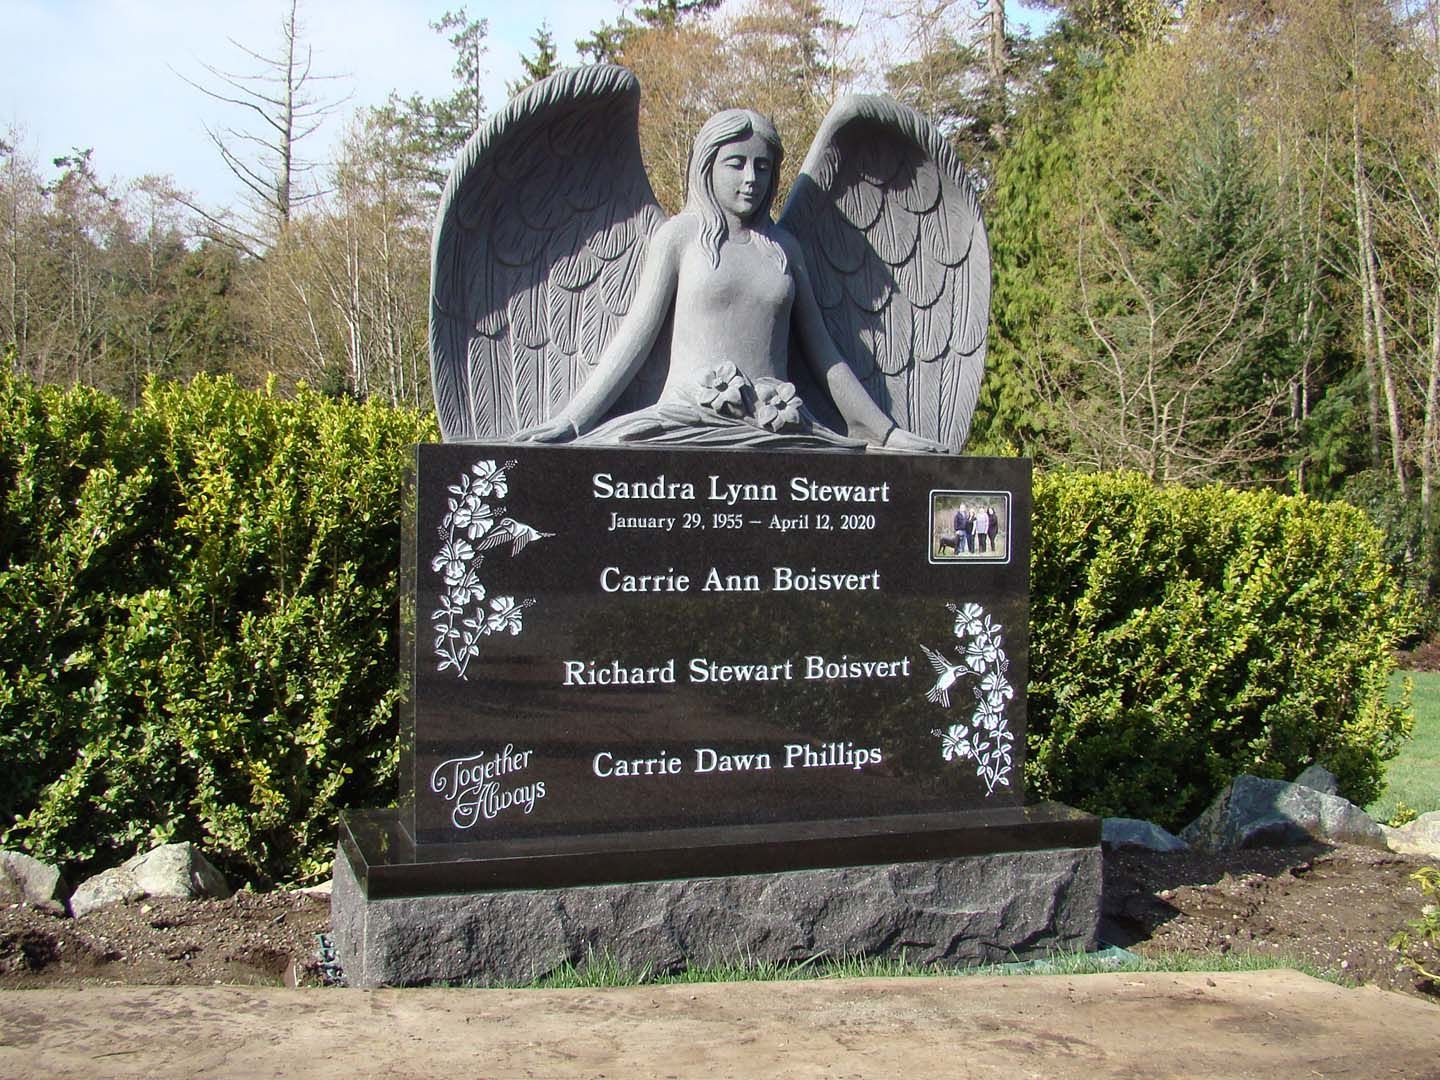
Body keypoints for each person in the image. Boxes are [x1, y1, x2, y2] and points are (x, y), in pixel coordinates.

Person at [514, 110, 940, 451]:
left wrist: (886, 434)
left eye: (763, 166)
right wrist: (571, 420)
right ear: (708, 166)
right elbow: (633, 340)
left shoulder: (785, 249)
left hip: (778, 429)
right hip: (684, 422)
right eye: (735, 165)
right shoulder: (679, 237)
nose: (751, 179)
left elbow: (824, 354)